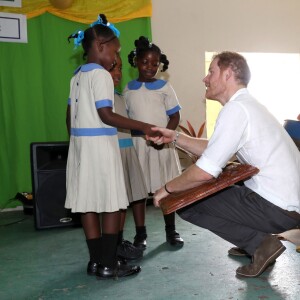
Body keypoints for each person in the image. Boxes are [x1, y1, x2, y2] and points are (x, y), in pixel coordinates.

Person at [148, 51, 300, 278]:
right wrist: (176, 137)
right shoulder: (247, 106)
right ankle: (251, 238)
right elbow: (215, 150)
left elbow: (205, 172)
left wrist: (167, 188)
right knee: (213, 190)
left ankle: (258, 244)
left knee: (183, 202)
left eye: (211, 71)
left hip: (278, 209)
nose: (205, 78)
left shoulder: (236, 109)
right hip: (287, 206)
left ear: (228, 75)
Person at [65, 14, 158, 280]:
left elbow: (69, 114)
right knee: (112, 204)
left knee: (88, 203)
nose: (116, 59)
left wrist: (76, 142)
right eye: (115, 52)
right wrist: (144, 126)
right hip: (101, 145)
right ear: (101, 47)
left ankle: (96, 261)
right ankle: (109, 264)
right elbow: (107, 114)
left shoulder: (77, 76)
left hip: (81, 145)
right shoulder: (102, 76)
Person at [123, 36, 184, 248]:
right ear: (136, 62)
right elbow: (126, 118)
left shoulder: (165, 87)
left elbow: (174, 116)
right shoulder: (128, 89)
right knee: (139, 192)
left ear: (160, 64)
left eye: (154, 63)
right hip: (138, 145)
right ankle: (140, 234)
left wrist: (166, 135)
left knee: (166, 187)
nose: (150, 67)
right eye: (145, 62)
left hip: (162, 146)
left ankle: (171, 230)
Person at [109, 54, 148, 260]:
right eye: (112, 69)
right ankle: (115, 243)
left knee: (134, 194)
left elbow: (128, 126)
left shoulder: (120, 97)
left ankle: (126, 239)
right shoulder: (100, 99)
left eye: (120, 69)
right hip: (112, 153)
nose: (118, 73)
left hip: (127, 149)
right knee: (117, 201)